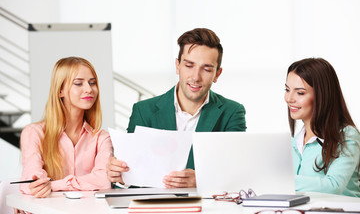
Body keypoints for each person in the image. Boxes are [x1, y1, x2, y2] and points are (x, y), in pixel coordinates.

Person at [107, 28, 246, 188]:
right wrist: (120, 175)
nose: (195, 77)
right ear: (177, 65)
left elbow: (237, 171)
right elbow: (129, 174)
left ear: (217, 74)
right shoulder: (143, 111)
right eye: (189, 65)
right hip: (156, 207)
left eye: (206, 69)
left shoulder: (232, 112)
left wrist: (201, 180)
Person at [19, 57, 113, 198]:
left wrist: (53, 185)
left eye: (92, 83)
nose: (89, 89)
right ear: (60, 91)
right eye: (78, 83)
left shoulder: (102, 138)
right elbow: (32, 181)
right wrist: (40, 185)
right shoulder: (34, 133)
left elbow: (103, 181)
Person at [284, 57, 360, 197]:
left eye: (300, 92)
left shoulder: (346, 136)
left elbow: (334, 185)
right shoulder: (295, 142)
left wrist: (280, 181)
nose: (289, 98)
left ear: (322, 96)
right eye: (287, 90)